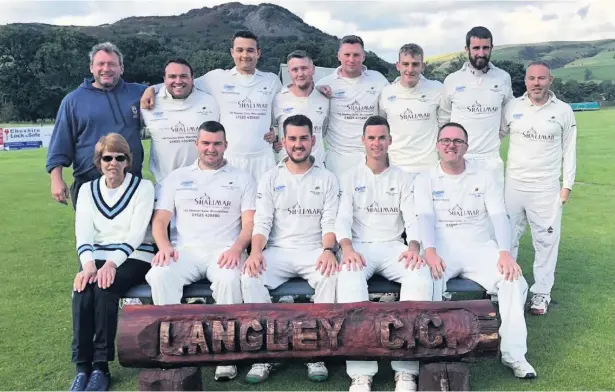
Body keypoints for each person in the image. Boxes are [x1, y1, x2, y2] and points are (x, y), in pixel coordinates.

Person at [414, 122, 537, 379]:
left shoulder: (484, 176)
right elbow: (424, 217)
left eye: (457, 141)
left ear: (466, 147)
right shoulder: (425, 178)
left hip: (480, 247)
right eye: (446, 140)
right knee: (425, 281)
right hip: (443, 249)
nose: (451, 145)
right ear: (437, 145)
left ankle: (514, 354)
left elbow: (499, 216)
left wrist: (505, 252)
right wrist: (431, 250)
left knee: (513, 281)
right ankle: (432, 352)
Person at [145, 121, 256, 382]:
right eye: (206, 143)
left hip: (224, 251)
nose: (211, 148)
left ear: (226, 145)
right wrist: (164, 248)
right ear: (196, 145)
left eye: (217, 143)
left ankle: (226, 354)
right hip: (185, 251)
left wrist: (237, 249)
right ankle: (173, 349)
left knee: (229, 279)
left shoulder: (242, 177)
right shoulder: (177, 177)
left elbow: (250, 222)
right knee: (161, 274)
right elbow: (160, 221)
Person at [335, 116, 433, 392]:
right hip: (360, 247)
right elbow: (342, 219)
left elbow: (412, 219)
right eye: (371, 138)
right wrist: (347, 248)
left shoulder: (403, 178)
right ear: (363, 141)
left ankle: (405, 370)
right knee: (349, 278)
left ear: (390, 140)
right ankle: (361, 372)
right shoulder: (350, 177)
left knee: (419, 272)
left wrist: (413, 247)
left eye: (382, 137)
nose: (376, 143)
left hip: (392, 246)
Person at [241, 114, 339, 384]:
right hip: (278, 251)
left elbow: (330, 222)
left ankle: (315, 352)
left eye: (303, 138)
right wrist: (256, 252)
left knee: (331, 276)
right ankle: (264, 354)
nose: (298, 144)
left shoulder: (327, 178)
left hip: (313, 250)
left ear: (313, 141)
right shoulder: (270, 177)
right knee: (249, 276)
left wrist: (329, 250)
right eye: (293, 139)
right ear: (283, 141)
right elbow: (262, 222)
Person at [70, 133, 155, 391]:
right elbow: (83, 232)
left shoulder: (143, 187)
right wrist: (87, 265)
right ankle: (82, 367)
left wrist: (111, 264)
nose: (113, 163)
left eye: (120, 158)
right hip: (97, 255)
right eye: (107, 158)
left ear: (128, 161)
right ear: (99, 162)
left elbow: (136, 234)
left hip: (136, 255)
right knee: (83, 289)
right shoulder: (87, 189)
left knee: (106, 288)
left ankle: (100, 367)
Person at [141, 30, 281, 184]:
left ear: (258, 53)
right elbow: (183, 83)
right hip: (228, 159)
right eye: (240, 50)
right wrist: (152, 89)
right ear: (232, 52)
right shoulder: (217, 78)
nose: (245, 55)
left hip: (263, 159)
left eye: (250, 50)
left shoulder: (271, 81)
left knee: (263, 207)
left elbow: (282, 114)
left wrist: (277, 132)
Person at [502, 61, 577, 315]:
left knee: (545, 241)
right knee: (507, 238)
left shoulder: (564, 111)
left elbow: (569, 149)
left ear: (550, 80)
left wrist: (566, 185)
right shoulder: (513, 107)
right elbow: (494, 137)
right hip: (513, 185)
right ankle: (506, 287)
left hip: (546, 188)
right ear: (525, 81)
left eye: (541, 78)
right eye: (532, 78)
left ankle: (541, 294)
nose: (536, 83)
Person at [47, 42, 147, 209]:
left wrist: (152, 90)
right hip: (88, 185)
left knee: (134, 235)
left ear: (121, 68)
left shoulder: (138, 93)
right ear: (91, 68)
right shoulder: (73, 101)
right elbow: (60, 143)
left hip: (131, 184)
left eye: (112, 64)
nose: (106, 68)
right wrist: (56, 179)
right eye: (101, 64)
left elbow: (170, 89)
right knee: (90, 235)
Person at [440, 26, 513, 182]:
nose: (481, 53)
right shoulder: (452, 80)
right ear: (467, 49)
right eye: (476, 48)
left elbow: (508, 115)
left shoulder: (503, 78)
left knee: (493, 206)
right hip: (458, 160)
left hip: (490, 160)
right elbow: (443, 119)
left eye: (485, 48)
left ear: (491, 48)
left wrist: (496, 137)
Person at [315, 35, 389, 179]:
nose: (351, 59)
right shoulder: (325, 84)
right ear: (339, 56)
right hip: (338, 157)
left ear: (364, 56)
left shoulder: (379, 80)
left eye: (356, 55)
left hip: (371, 156)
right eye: (347, 54)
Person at [142, 57, 220, 184]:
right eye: (172, 76)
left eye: (183, 76)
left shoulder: (210, 101)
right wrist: (152, 89)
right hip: (165, 185)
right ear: (164, 79)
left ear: (192, 78)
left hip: (204, 183)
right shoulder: (149, 102)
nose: (178, 81)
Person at [379, 43, 445, 175]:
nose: (410, 69)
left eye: (415, 64)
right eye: (405, 64)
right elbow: (381, 130)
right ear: (398, 65)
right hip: (395, 168)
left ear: (422, 66)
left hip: (429, 168)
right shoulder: (386, 93)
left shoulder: (437, 89)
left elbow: (445, 124)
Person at [272, 50, 329, 166]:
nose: (300, 74)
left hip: (318, 169)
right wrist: (274, 141)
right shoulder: (278, 98)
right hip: (286, 170)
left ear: (312, 69)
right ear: (289, 72)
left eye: (304, 68)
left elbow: (325, 131)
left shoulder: (325, 98)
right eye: (295, 70)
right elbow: (268, 128)